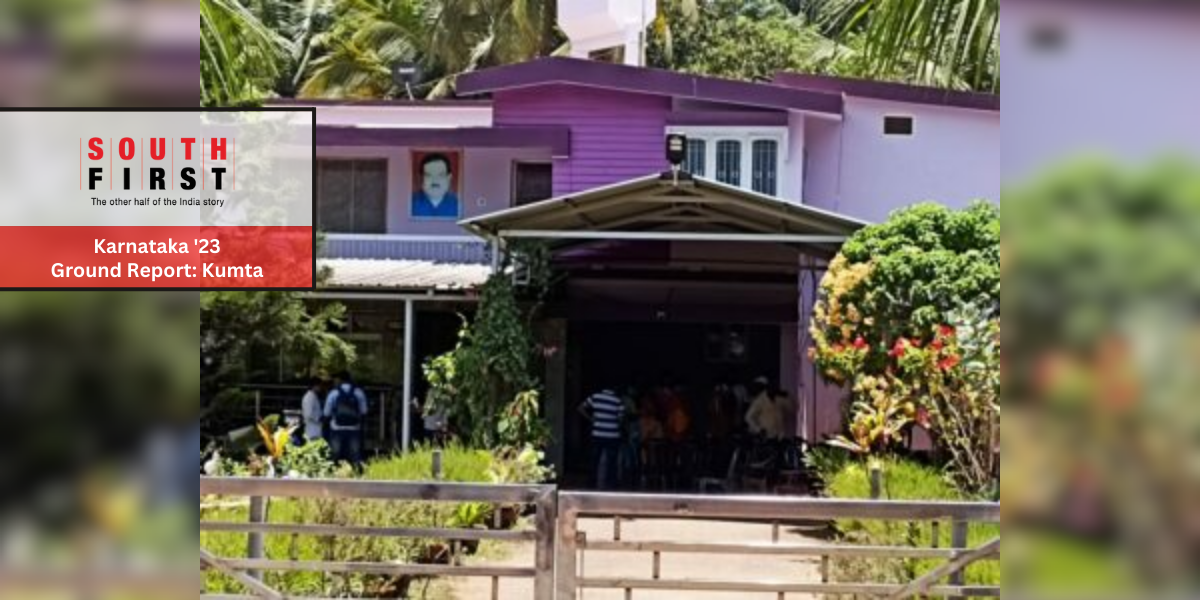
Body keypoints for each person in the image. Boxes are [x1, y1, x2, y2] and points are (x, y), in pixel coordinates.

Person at [577, 387, 624, 490]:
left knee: (594, 459)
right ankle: (611, 484)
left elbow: (580, 408)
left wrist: (590, 419)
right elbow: (620, 419)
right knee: (611, 461)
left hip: (597, 433)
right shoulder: (618, 400)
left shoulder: (595, 397)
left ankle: (591, 483)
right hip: (613, 434)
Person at [324, 371, 368, 470]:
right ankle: (357, 473)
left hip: (336, 428)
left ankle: (331, 473)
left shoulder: (333, 393)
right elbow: (364, 411)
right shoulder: (359, 392)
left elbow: (326, 413)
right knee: (355, 455)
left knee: (334, 455)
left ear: (339, 380)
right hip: (354, 428)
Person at [411, 153, 460, 219]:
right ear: (421, 178)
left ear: (449, 178)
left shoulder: (459, 205)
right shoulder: (410, 204)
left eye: (440, 175)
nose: (435, 180)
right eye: (428, 175)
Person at [300, 377, 326, 443]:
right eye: (320, 386)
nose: (321, 388)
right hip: (312, 430)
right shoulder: (309, 397)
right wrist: (319, 418)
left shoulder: (313, 395)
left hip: (314, 428)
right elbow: (308, 414)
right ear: (315, 386)